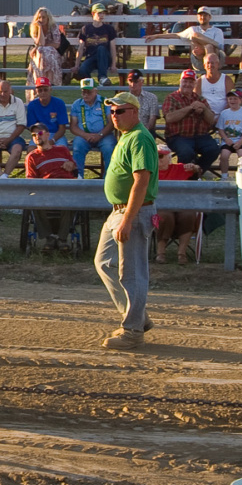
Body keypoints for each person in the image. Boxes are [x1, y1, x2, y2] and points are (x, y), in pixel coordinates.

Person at [95, 91, 159, 350]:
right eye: (112, 112)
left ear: (134, 111)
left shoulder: (140, 138)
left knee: (131, 273)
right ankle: (137, 317)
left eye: (120, 111)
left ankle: (132, 331)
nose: (115, 116)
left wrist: (128, 220)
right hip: (118, 211)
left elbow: (141, 180)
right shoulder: (127, 137)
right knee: (103, 262)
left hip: (132, 212)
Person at [24, 123, 78, 249]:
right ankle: (49, 238)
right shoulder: (32, 157)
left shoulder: (62, 150)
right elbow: (31, 180)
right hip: (46, 189)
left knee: (70, 202)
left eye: (40, 133)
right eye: (33, 135)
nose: (37, 136)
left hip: (65, 186)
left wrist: (70, 164)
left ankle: (62, 239)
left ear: (48, 135)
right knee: (35, 203)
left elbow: (75, 169)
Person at [161, 70, 218, 173]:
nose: (187, 84)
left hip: (201, 136)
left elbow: (211, 120)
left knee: (213, 149)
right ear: (180, 82)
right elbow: (169, 118)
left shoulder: (200, 99)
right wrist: (190, 108)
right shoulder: (172, 98)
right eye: (185, 81)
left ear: (195, 83)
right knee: (186, 152)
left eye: (191, 82)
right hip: (178, 136)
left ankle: (196, 172)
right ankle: (183, 177)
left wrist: (204, 109)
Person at [155, 144, 202, 265]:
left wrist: (194, 167)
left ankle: (182, 253)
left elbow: (198, 170)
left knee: (189, 215)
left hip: (180, 205)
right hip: (159, 207)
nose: (157, 159)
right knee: (164, 216)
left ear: (169, 158)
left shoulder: (179, 168)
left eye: (160, 156)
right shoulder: (150, 172)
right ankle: (160, 252)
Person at [69, 78, 116, 177]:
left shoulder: (105, 102)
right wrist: (85, 135)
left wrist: (100, 135)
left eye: (88, 92)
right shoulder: (77, 104)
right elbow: (73, 126)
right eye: (83, 92)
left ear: (96, 91)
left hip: (104, 135)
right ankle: (78, 177)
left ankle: (109, 178)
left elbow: (111, 123)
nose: (85, 95)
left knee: (109, 147)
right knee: (77, 147)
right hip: (83, 136)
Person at [215, 90, 242, 180]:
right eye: (230, 98)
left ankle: (241, 176)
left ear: (240, 100)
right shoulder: (224, 113)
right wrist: (226, 139)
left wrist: (240, 142)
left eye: (235, 99)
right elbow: (220, 129)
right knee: (224, 155)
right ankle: (224, 176)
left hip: (241, 140)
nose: (232, 101)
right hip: (227, 141)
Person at [75, 3, 117, 85]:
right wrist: (76, 65)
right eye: (99, 13)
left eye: (103, 13)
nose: (102, 15)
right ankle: (92, 85)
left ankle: (102, 77)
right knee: (83, 69)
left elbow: (113, 47)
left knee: (101, 48)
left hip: (104, 58)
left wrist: (113, 64)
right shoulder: (86, 29)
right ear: (93, 14)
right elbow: (81, 47)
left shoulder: (109, 29)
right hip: (91, 57)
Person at [27, 6, 64, 93]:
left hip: (52, 53)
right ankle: (41, 81)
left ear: (48, 18)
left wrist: (45, 46)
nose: (41, 19)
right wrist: (40, 28)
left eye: (43, 17)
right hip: (40, 53)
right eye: (39, 17)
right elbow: (40, 43)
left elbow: (57, 44)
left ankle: (48, 82)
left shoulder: (54, 27)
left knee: (46, 51)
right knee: (41, 51)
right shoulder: (34, 28)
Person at [25, 78, 68, 147]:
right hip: (39, 135)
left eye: (45, 90)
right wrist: (41, 138)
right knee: (31, 150)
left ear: (50, 89)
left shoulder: (59, 103)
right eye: (40, 90)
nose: (43, 92)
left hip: (56, 135)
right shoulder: (32, 105)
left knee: (61, 150)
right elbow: (32, 128)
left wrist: (52, 140)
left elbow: (62, 128)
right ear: (36, 91)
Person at [198, 52, 233, 117]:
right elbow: (196, 101)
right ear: (204, 66)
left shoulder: (227, 80)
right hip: (205, 116)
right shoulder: (199, 81)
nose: (210, 65)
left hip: (224, 116)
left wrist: (221, 117)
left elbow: (231, 101)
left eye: (213, 63)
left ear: (218, 65)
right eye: (208, 63)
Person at [126, 69, 159, 133]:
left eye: (136, 82)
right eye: (130, 81)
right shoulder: (123, 98)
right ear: (127, 81)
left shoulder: (152, 97)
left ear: (142, 82)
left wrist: (143, 132)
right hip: (128, 132)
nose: (133, 84)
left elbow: (152, 119)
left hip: (146, 131)